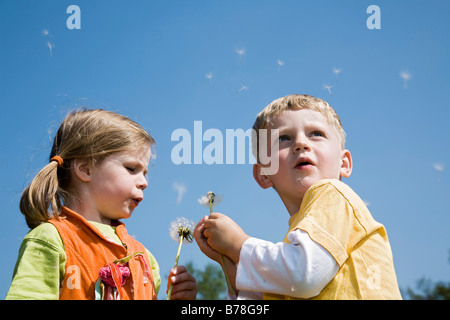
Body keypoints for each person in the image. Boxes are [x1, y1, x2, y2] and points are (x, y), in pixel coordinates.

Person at [195, 94, 402, 299]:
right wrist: (231, 264)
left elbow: (305, 276)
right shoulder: (295, 247)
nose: (301, 144)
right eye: (284, 138)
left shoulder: (334, 194)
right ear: (263, 174)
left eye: (316, 134)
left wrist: (239, 246)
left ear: (344, 163)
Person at [6, 109, 197, 300]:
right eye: (132, 169)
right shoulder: (51, 240)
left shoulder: (145, 258)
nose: (144, 182)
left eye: (145, 173)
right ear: (85, 169)